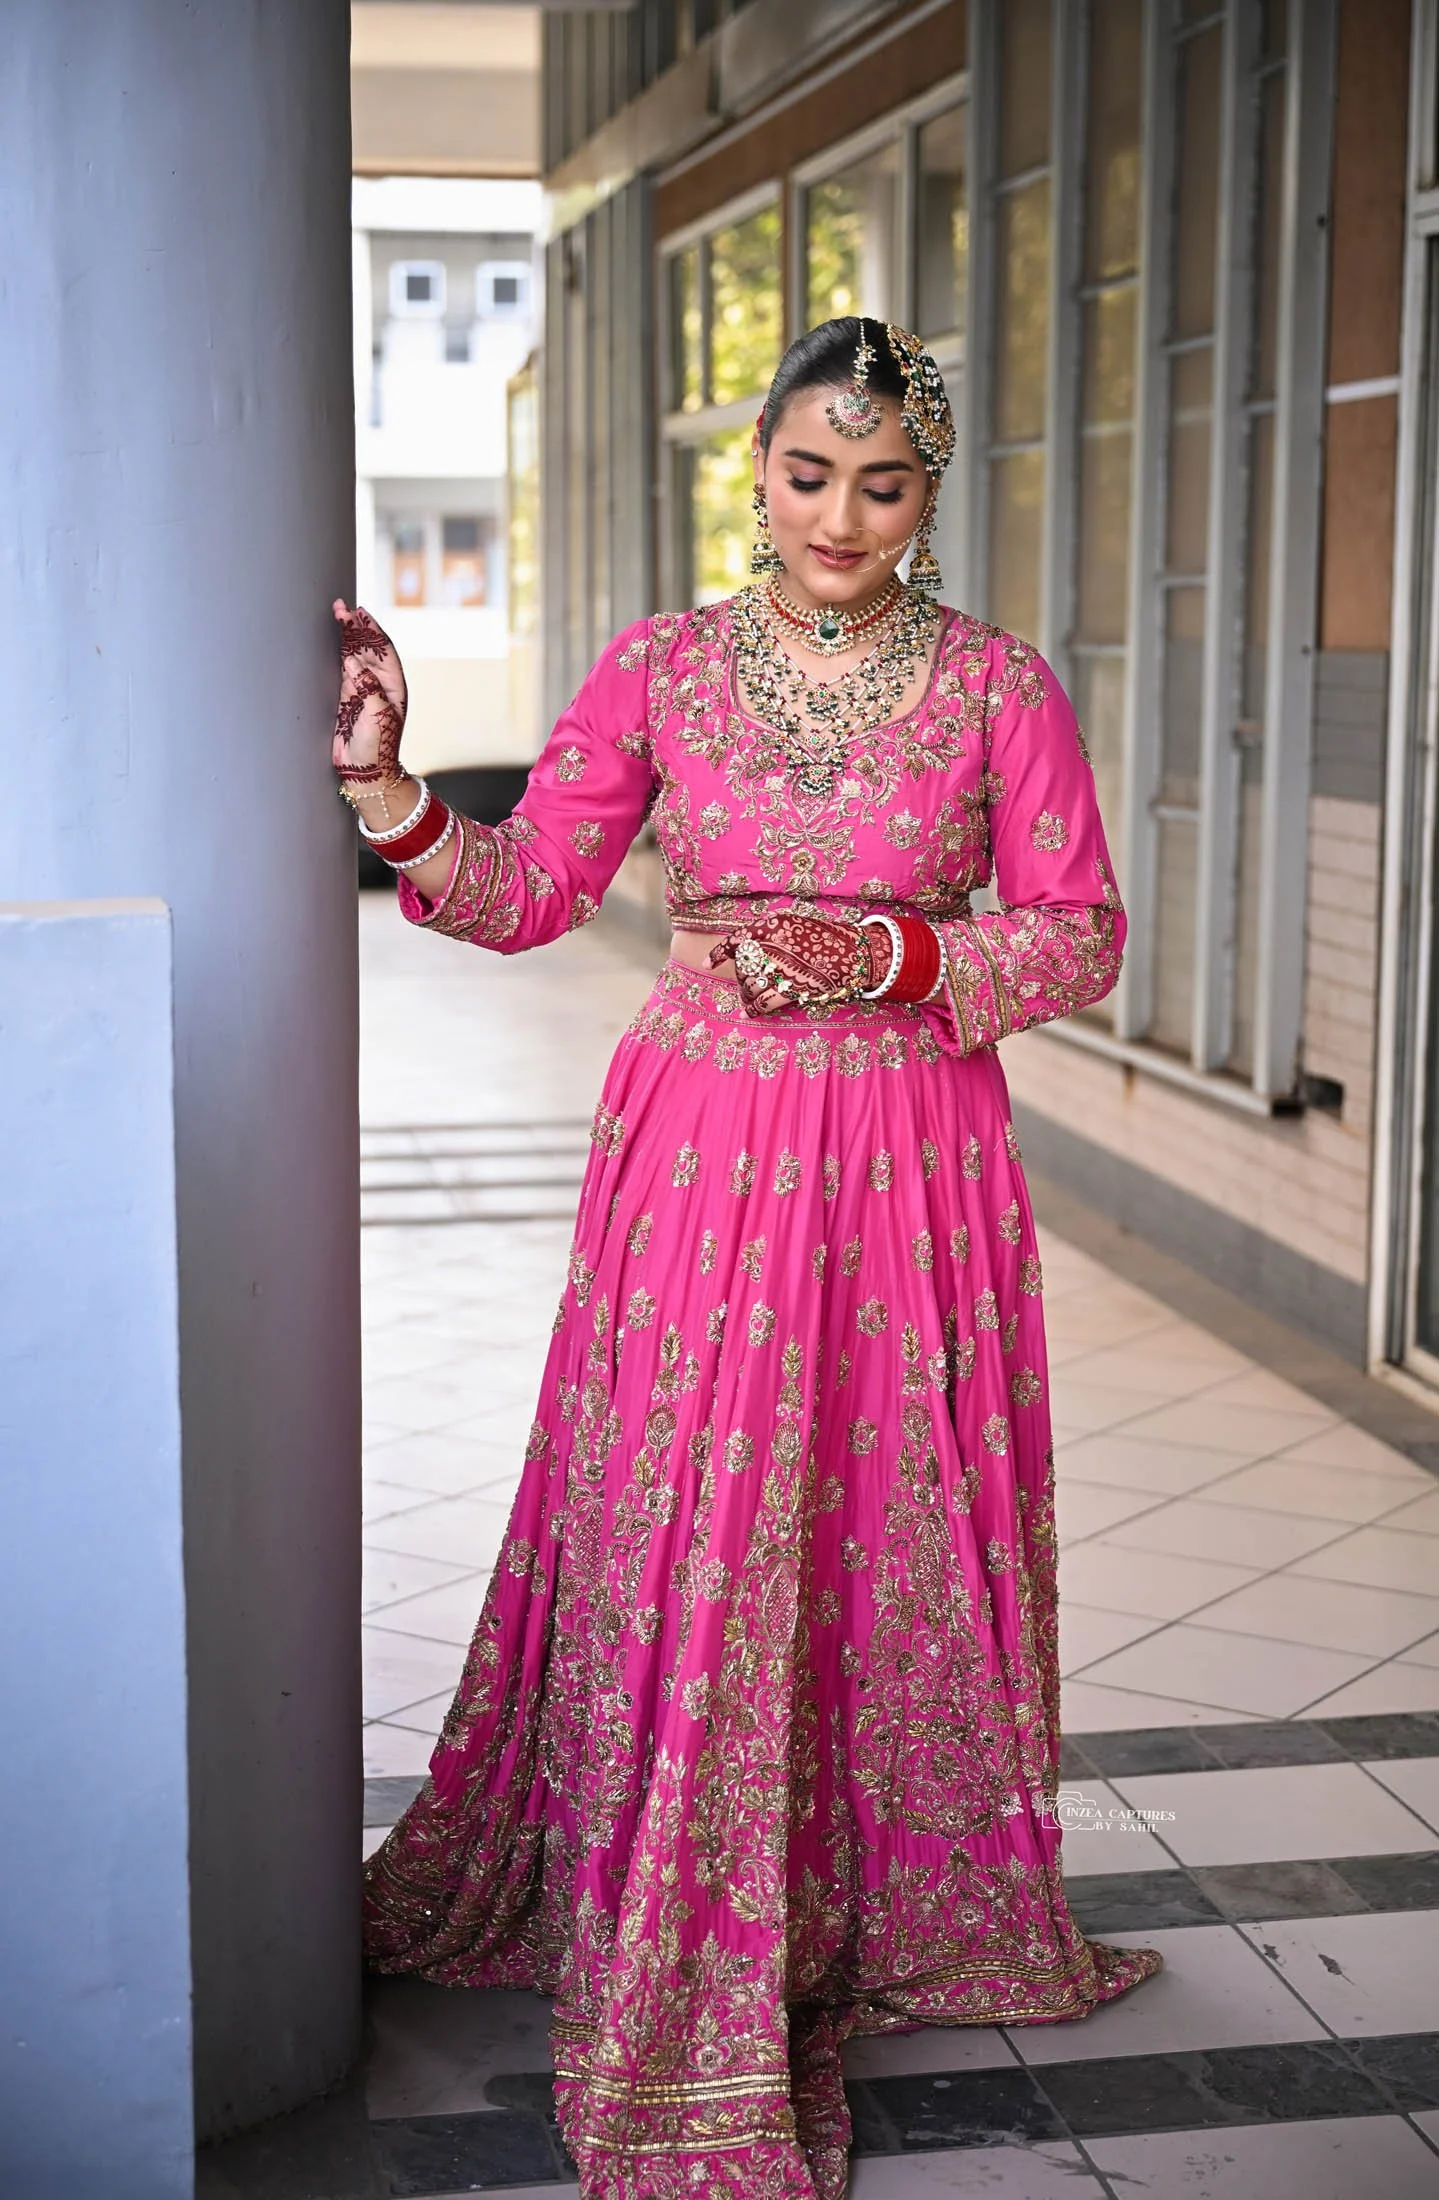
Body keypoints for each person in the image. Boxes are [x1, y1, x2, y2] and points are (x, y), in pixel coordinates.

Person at [339, 318, 1160, 2200]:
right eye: (808, 476)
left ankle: (880, 1899)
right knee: (696, 1517)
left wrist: (901, 965)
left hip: (911, 1153)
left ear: (927, 490)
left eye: (882, 483)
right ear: (759, 477)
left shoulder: (996, 689)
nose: (840, 515)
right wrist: (388, 792)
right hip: (704, 1148)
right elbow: (531, 886)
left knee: (881, 1505)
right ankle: (688, 1906)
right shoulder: (662, 668)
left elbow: (1080, 932)